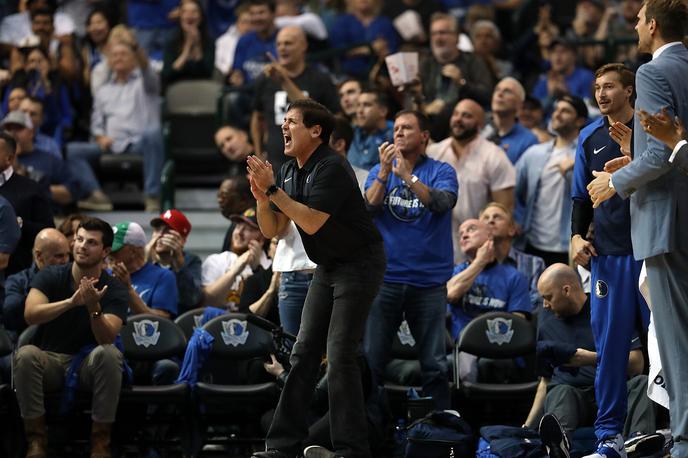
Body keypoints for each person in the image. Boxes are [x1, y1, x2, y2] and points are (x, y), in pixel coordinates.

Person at [247, 99, 385, 458]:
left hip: (360, 264)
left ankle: (351, 450)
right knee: (304, 351)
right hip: (327, 266)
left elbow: (311, 222)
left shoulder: (332, 167)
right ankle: (281, 446)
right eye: (284, 120)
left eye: (291, 121)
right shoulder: (290, 170)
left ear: (315, 130)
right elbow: (275, 229)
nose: (284, 127)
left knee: (339, 356)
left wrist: (274, 190)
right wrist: (263, 198)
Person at [586, 2, 688, 455]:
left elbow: (659, 157)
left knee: (677, 346)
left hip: (664, 222)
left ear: (653, 25)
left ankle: (683, 441)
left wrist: (614, 181)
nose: (633, 26)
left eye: (638, 18)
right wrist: (634, 162)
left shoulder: (650, 71)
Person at [571, 62, 652, 458]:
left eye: (609, 87)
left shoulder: (653, 130)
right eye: (597, 87)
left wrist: (631, 153)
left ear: (630, 91)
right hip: (610, 257)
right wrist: (574, 236)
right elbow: (580, 198)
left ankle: (671, 428)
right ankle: (609, 436)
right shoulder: (588, 136)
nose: (601, 94)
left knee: (665, 346)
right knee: (610, 349)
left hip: (654, 252)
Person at [363, 109, 458, 410]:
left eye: (407, 128)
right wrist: (383, 172)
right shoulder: (377, 171)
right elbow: (368, 210)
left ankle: (441, 431)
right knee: (372, 361)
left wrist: (407, 176)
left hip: (428, 283)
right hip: (384, 280)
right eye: (396, 128)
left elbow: (441, 203)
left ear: (425, 137)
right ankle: (369, 431)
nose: (399, 133)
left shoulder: (442, 171)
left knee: (434, 365)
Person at [14, 217, 129, 458]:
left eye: (91, 242)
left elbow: (107, 338)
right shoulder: (51, 275)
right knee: (25, 354)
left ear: (106, 251)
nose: (82, 246)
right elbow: (31, 314)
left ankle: (100, 443)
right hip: (51, 362)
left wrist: (92, 308)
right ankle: (36, 442)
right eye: (79, 239)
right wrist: (70, 302)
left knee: (110, 354)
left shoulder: (114, 288)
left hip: (89, 363)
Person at [526, 264, 655, 453]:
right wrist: (527, 427)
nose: (545, 305)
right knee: (560, 390)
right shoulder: (546, 320)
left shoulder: (609, 310)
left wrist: (592, 359)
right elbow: (545, 380)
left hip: (613, 392)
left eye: (548, 297)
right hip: (574, 398)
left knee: (642, 383)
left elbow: (637, 363)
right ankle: (558, 447)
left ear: (567, 290)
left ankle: (637, 443)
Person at [66, 35, 164, 212]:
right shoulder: (103, 91)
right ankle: (96, 195)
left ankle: (152, 196)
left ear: (134, 59)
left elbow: (146, 68)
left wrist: (136, 47)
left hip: (139, 143)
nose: (118, 58)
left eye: (124, 54)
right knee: (73, 150)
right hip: (109, 144)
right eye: (114, 55)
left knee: (154, 134)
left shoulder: (147, 84)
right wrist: (100, 136)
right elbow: (96, 122)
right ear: (109, 61)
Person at [426, 98, 515, 262]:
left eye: (466, 116)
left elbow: (504, 209)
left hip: (477, 249)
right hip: (435, 242)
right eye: (456, 114)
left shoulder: (494, 156)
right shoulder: (433, 152)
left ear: (480, 124)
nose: (458, 119)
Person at [251, 25, 338, 169]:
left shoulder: (320, 79)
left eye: (288, 43)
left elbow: (325, 117)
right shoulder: (265, 79)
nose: (282, 48)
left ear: (304, 46)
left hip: (312, 164)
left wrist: (284, 81)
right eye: (278, 44)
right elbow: (257, 118)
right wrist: (258, 153)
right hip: (275, 164)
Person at [515, 95, 587, 266]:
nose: (557, 114)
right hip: (532, 243)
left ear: (579, 121)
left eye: (566, 111)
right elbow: (514, 190)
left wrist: (578, 166)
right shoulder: (534, 153)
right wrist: (517, 220)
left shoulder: (586, 154)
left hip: (568, 247)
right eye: (556, 110)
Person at [447, 218, 531, 342]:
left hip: (500, 346)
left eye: (471, 229)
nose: (464, 235)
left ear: (490, 236)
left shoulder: (514, 277)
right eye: (461, 233)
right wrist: (480, 262)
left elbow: (517, 323)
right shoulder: (456, 272)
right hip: (464, 348)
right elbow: (451, 294)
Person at [418, 12, 493, 141]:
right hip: (429, 127)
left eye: (443, 33)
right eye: (434, 34)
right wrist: (425, 107)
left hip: (464, 129)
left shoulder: (473, 61)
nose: (438, 38)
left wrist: (462, 83)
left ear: (457, 38)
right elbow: (412, 96)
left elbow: (487, 95)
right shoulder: (425, 64)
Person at [0, 130, 53, 276]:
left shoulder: (31, 189)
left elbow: (48, 231)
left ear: (9, 158)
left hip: (14, 275)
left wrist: (19, 224)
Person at [2, 228, 69, 339]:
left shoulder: (71, 278)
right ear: (38, 255)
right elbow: (10, 317)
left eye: (67, 255)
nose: (65, 261)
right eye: (59, 256)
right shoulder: (18, 282)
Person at [479, 202, 546, 310]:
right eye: (485, 218)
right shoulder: (471, 266)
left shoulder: (534, 264)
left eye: (497, 217)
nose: (490, 221)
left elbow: (537, 305)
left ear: (511, 230)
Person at [1, 110, 75, 206]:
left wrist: (33, 183)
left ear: (31, 132)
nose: (12, 133)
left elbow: (71, 193)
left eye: (19, 128)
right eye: (8, 128)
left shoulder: (49, 159)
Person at [202, 207, 271, 310]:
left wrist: (257, 270)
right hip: (216, 323)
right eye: (238, 226)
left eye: (249, 229)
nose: (239, 232)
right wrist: (234, 272)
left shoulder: (271, 266)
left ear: (262, 238)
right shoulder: (216, 261)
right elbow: (207, 301)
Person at [109, 221, 178, 319]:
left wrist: (128, 290)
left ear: (133, 251)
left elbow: (163, 321)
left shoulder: (162, 276)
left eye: (115, 250)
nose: (109, 254)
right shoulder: (106, 275)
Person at [147, 209, 203, 314]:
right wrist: (143, 262)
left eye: (167, 231)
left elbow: (192, 299)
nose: (160, 235)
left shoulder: (191, 261)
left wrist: (180, 266)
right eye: (157, 229)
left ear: (182, 240)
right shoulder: (145, 259)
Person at [482, 77, 539, 165]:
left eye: (507, 91)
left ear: (520, 104)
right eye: (497, 90)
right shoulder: (477, 128)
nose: (500, 94)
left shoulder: (528, 141)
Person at [532, 38, 594, 115]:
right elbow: (534, 112)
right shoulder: (544, 80)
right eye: (553, 52)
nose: (557, 56)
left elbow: (592, 110)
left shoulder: (586, 77)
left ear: (574, 55)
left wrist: (567, 95)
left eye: (563, 51)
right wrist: (551, 96)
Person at [161, 0, 214, 90]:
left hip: (201, 92)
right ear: (180, 17)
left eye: (194, 12)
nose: (190, 16)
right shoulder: (171, 42)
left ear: (201, 17)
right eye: (185, 12)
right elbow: (167, 75)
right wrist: (187, 48)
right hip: (175, 93)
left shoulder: (209, 42)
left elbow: (207, 75)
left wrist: (197, 46)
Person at [347, 90, 393, 171]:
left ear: (383, 111)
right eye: (358, 105)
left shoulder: (395, 134)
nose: (360, 111)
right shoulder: (350, 132)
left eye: (366, 105)